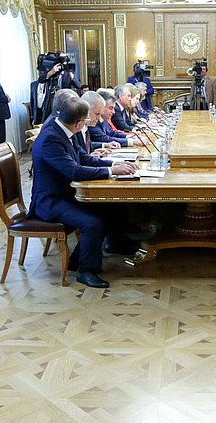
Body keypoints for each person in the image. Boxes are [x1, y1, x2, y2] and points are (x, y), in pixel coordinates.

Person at [30, 97, 137, 289]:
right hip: (50, 201)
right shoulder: (51, 139)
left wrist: (114, 164)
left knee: (109, 207)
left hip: (65, 194)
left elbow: (84, 158)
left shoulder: (63, 130)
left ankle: (80, 259)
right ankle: (86, 271)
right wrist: (111, 172)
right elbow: (74, 171)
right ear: (79, 123)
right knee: (93, 222)